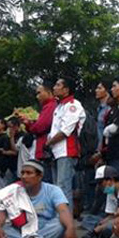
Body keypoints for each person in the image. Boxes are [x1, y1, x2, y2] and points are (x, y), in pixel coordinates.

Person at [0, 160, 76, 238]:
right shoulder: (14, 190)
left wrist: (70, 227)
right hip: (22, 230)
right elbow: (2, 210)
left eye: (29, 173)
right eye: (22, 173)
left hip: (44, 229)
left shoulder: (53, 190)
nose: (24, 176)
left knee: (61, 224)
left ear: (40, 176)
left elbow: (63, 210)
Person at [46, 77, 86, 212]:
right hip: (57, 151)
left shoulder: (73, 105)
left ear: (66, 89)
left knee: (63, 187)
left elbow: (65, 131)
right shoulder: (60, 106)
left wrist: (49, 143)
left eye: (58, 85)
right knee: (58, 187)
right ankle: (61, 219)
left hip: (67, 151)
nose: (54, 87)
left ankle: (66, 221)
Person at [19, 80, 57, 182]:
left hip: (46, 150)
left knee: (46, 184)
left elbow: (40, 127)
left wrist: (29, 124)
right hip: (45, 150)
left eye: (39, 93)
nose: (37, 96)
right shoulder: (48, 106)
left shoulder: (51, 106)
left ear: (49, 92)